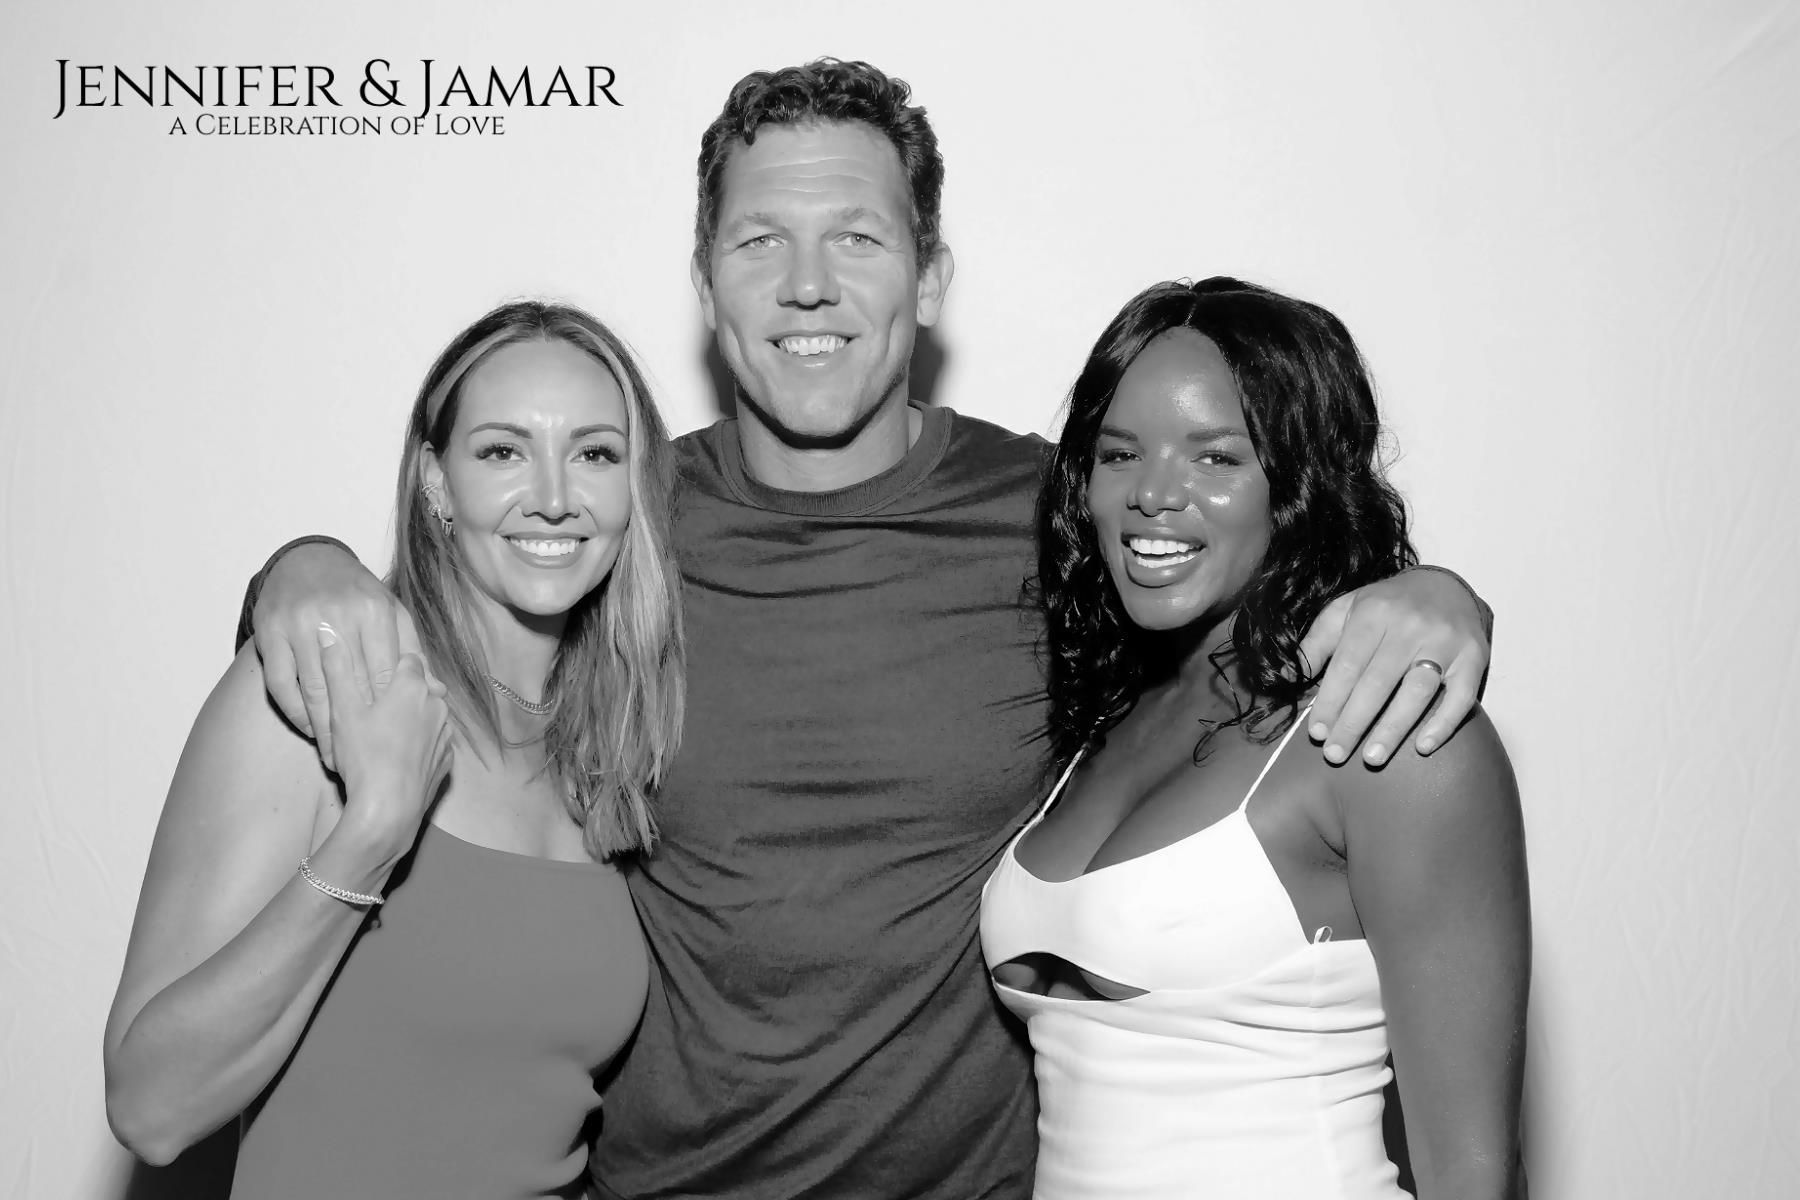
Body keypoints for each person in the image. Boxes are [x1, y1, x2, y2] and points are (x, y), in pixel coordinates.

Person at [239, 61, 1495, 1199]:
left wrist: (1431, 593)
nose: (808, 285)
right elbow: (433, 611)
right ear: (704, 283)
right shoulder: (620, 528)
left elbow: (1238, 570)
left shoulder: (1053, 519)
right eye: (760, 242)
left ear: (930, 275)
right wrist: (297, 571)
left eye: (857, 236)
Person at [104, 300, 685, 1198]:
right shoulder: (321, 691)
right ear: (435, 483)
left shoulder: (608, 744)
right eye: (502, 451)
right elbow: (151, 1109)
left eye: (595, 454)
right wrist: (373, 830)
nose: (554, 495)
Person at [982, 277, 1528, 1198]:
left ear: (1299, 482)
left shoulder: (1391, 736)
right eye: (1120, 454)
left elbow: (1473, 1173)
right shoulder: (1107, 718)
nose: (1154, 493)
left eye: (1216, 457)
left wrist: (1446, 594)